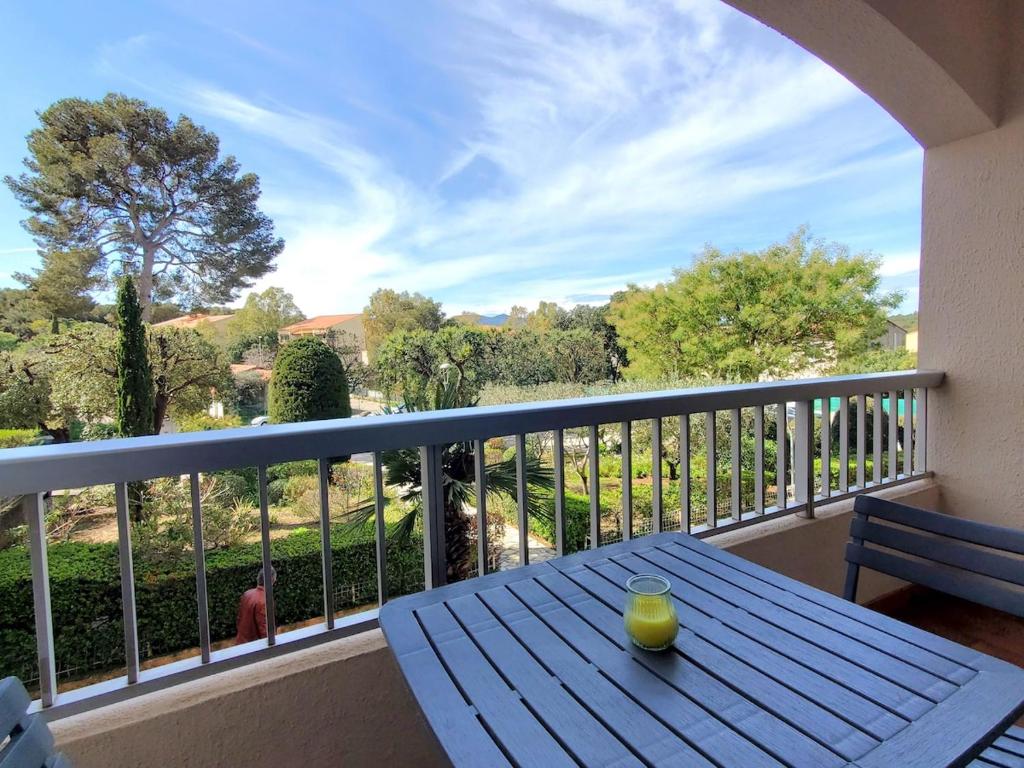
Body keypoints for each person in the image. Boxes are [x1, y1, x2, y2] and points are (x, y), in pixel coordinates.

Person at [235, 566, 276, 644]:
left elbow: (239, 619)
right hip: (253, 647)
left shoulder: (247, 594)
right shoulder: (265, 600)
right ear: (272, 580)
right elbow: (265, 630)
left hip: (240, 643)